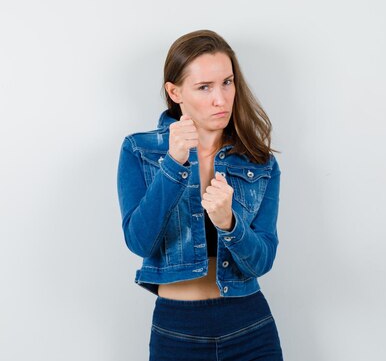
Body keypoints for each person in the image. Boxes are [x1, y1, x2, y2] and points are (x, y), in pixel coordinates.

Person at [116, 29, 284, 360]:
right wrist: (174, 164)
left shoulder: (259, 161)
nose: (221, 99)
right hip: (178, 330)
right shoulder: (141, 150)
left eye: (227, 82)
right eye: (204, 87)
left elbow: (262, 260)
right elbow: (140, 242)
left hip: (249, 324)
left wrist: (230, 224)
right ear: (175, 91)